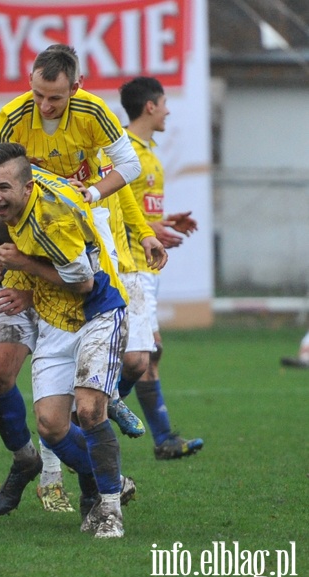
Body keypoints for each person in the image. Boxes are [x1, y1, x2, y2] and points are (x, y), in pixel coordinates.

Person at [0, 44, 165, 514]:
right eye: (37, 95)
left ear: (75, 88)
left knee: (119, 350)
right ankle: (27, 457)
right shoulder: (15, 117)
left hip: (73, 244)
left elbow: (126, 173)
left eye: (54, 98)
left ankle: (102, 407)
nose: (44, 106)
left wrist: (111, 208)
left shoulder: (93, 113)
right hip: (22, 238)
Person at [0, 142, 129, 538]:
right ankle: (112, 476)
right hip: (55, 319)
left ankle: (111, 509)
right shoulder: (23, 192)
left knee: (89, 410)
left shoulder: (52, 220)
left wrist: (23, 266)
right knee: (50, 425)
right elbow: (0, 192)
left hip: (97, 314)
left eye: (3, 189)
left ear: (28, 188)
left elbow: (83, 282)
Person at [118, 76, 204, 459]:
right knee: (144, 353)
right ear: (149, 106)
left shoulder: (147, 151)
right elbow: (107, 210)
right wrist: (150, 228)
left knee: (150, 353)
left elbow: (138, 212)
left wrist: (164, 222)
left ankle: (164, 439)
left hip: (146, 267)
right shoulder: (123, 153)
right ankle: (94, 409)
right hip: (127, 267)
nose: (168, 109)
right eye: (165, 102)